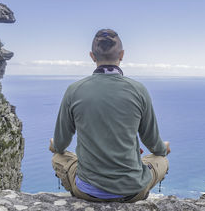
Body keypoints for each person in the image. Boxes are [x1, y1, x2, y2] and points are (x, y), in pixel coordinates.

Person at [49, 28, 170, 203]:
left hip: (87, 191)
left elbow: (60, 145)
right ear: (122, 55)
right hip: (134, 191)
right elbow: (154, 145)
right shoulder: (138, 90)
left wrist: (55, 145)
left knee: (58, 157)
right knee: (160, 159)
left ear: (92, 56)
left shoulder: (74, 90)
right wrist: (164, 148)